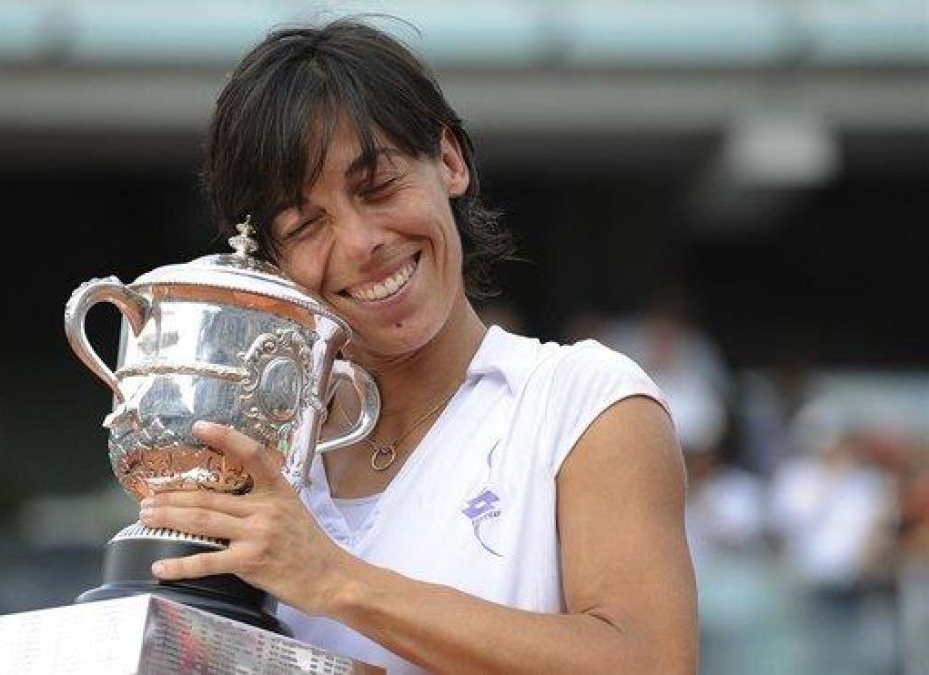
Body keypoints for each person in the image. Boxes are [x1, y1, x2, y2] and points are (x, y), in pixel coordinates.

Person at [138, 19, 697, 673]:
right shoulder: (254, 460)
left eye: (377, 188)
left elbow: (651, 661)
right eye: (306, 223)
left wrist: (338, 581)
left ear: (450, 161)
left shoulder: (585, 403)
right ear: (270, 260)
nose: (361, 243)